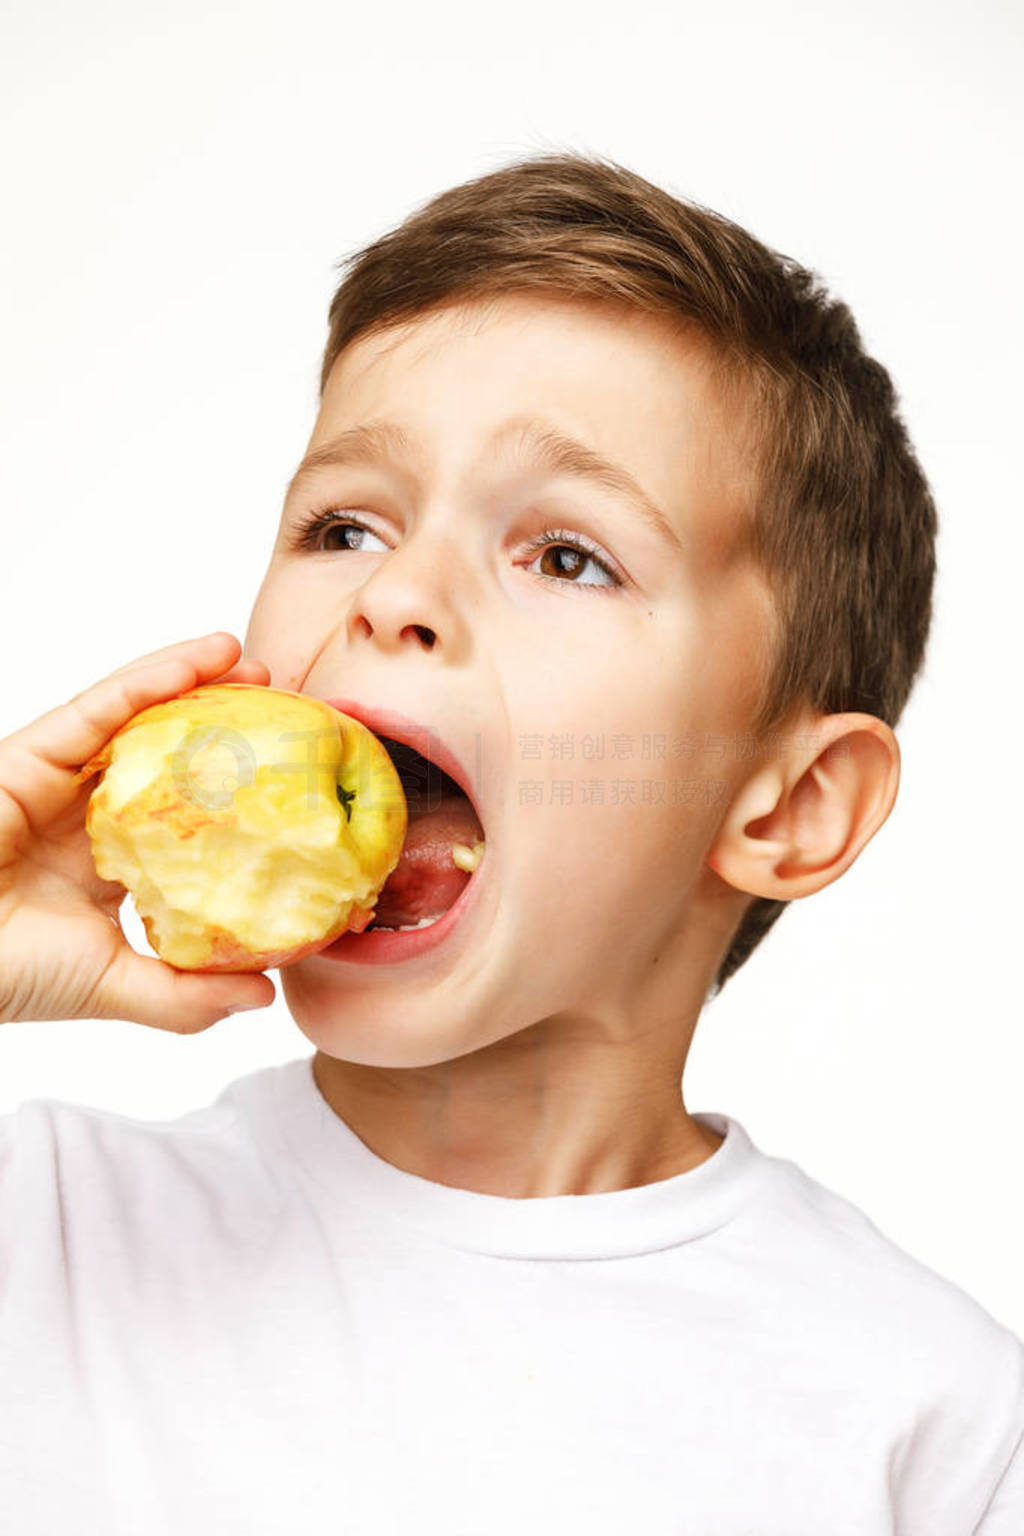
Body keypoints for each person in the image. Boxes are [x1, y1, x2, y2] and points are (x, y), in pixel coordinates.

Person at [1, 151, 1020, 1533]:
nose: (396, 593)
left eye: (566, 556)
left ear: (786, 806)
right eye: (344, 524)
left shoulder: (932, 1425)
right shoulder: (50, 1230)